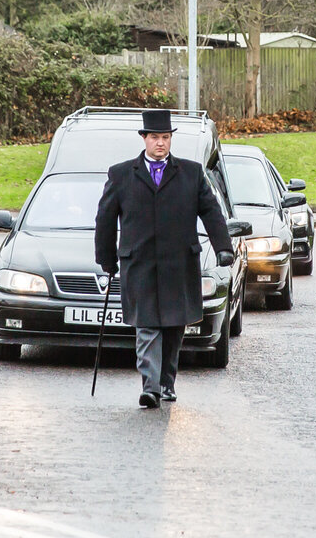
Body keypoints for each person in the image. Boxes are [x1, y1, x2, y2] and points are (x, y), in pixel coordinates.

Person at [94, 109, 235, 408]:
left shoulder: (191, 173)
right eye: (155, 137)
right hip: (140, 264)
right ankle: (150, 386)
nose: (161, 143)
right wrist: (106, 259)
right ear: (144, 139)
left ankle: (166, 382)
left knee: (173, 327)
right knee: (147, 325)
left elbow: (211, 211)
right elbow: (105, 219)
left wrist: (223, 247)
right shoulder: (120, 174)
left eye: (166, 137)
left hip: (178, 262)